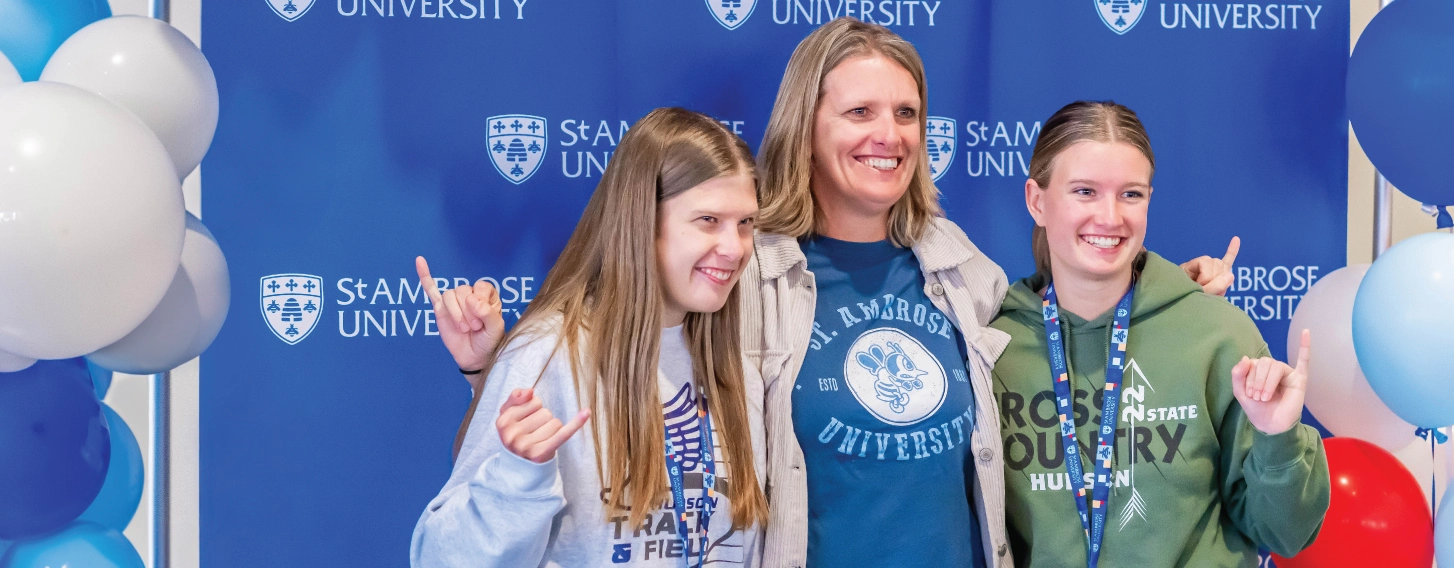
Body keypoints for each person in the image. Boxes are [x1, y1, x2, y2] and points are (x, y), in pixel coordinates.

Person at [419, 18, 1238, 568]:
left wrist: (1161, 294)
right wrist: (491, 373)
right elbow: (622, 369)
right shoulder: (741, 269)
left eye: (907, 112)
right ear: (805, 121)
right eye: (859, 111)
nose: (889, 135)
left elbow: (1056, 329)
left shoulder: (957, 268)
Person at [409, 107, 770, 567]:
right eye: (708, 221)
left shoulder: (737, 363)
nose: (735, 248)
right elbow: (439, 559)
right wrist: (517, 479)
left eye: (745, 224)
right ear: (643, 222)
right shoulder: (548, 353)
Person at [989, 100, 1329, 567]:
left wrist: (1278, 437)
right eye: (1085, 191)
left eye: (1131, 194)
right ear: (1036, 200)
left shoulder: (1217, 335)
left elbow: (1285, 533)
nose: (1110, 217)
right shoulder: (994, 346)